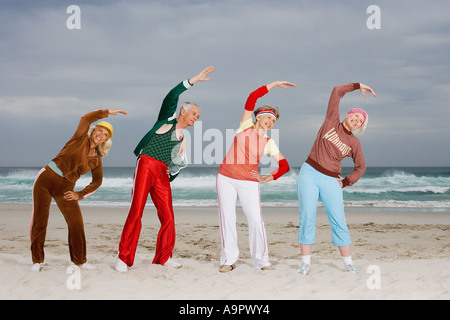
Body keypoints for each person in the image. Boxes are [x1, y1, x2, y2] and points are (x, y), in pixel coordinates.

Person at [115, 66, 214, 272]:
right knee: (136, 211)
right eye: (194, 113)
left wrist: (171, 172)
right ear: (183, 111)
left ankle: (164, 257)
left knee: (168, 216)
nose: (196, 117)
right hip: (146, 164)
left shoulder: (183, 140)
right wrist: (194, 79)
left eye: (198, 115)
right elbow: (172, 95)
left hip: (161, 174)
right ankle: (124, 259)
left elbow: (177, 166)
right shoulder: (165, 119)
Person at [30, 108, 127, 272]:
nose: (101, 135)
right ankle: (37, 261)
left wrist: (79, 194)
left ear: (106, 140)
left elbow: (97, 182)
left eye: (105, 135)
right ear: (93, 130)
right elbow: (85, 118)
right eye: (100, 130)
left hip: (66, 189)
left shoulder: (97, 159)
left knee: (76, 223)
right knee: (40, 220)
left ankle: (80, 261)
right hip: (46, 179)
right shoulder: (80, 138)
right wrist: (106, 112)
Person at [297, 82, 376, 275]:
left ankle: (348, 263)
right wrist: (358, 86)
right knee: (307, 216)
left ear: (360, 127)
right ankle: (305, 263)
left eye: (360, 121)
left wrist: (347, 181)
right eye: (356, 116)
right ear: (348, 114)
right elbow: (336, 91)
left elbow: (361, 166)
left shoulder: (354, 143)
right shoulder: (331, 120)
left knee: (338, 220)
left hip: (331, 180)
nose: (357, 120)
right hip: (309, 173)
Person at [216, 81, 295, 272]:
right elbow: (252, 97)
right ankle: (229, 260)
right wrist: (274, 84)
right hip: (225, 177)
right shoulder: (244, 126)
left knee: (255, 220)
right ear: (258, 118)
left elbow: (284, 165)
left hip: (249, 181)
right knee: (227, 218)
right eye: (268, 117)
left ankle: (262, 261)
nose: (271, 121)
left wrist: (267, 178)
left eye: (274, 120)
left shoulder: (268, 142)